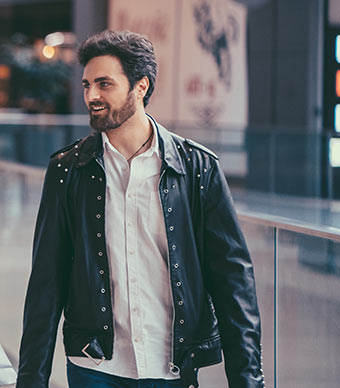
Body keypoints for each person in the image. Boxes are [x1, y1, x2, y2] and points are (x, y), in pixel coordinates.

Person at [18, 30, 264, 388]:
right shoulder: (67, 170)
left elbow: (232, 282)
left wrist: (248, 380)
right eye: (87, 85)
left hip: (170, 366)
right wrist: (31, 380)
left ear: (141, 86)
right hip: (94, 367)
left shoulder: (197, 169)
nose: (92, 96)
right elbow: (46, 282)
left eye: (104, 84)